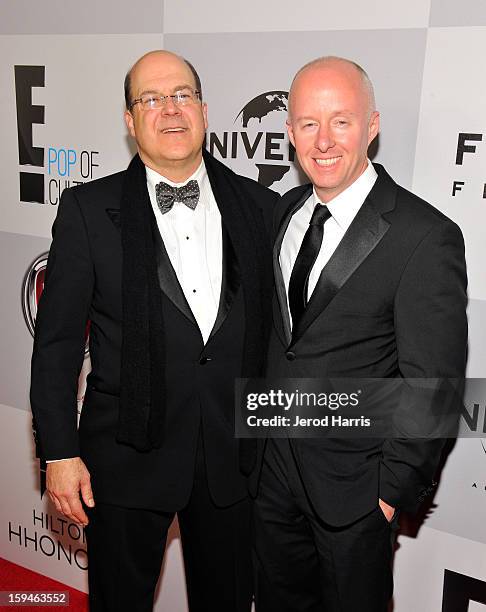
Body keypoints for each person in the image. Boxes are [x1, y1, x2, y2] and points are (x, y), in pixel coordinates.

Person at [30, 50, 278, 612]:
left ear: (205, 110)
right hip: (122, 461)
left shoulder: (260, 207)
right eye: (151, 98)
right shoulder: (89, 210)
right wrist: (59, 454)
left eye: (182, 95)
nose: (170, 110)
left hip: (233, 463)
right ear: (129, 119)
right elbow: (58, 345)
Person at [246, 56, 468, 611]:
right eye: (307, 123)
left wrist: (388, 497)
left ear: (371, 125)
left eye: (340, 121)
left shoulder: (424, 236)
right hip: (272, 483)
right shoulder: (282, 213)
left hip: (356, 495)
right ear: (290, 130)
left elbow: (433, 386)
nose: (323, 141)